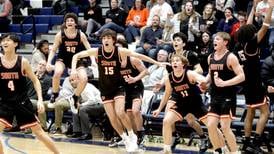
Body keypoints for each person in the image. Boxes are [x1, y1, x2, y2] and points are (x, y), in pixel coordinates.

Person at [71, 29, 167, 152]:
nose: (105, 40)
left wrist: (157, 63)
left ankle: (132, 136)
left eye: (108, 38)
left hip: (118, 87)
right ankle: (125, 138)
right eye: (104, 38)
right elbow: (76, 55)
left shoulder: (120, 51)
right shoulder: (97, 51)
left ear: (113, 40)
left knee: (120, 112)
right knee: (112, 117)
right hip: (105, 88)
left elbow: (139, 56)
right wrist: (74, 69)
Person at [0, 33, 60, 154]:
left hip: (21, 102)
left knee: (39, 133)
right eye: (3, 40)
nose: (4, 42)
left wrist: (40, 100)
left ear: (16, 44)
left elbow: (36, 81)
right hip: (5, 102)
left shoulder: (23, 62)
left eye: (8, 40)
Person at [234, 0, 274, 153]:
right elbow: (265, 26)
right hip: (256, 82)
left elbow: (247, 25)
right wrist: (270, 7)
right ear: (251, 34)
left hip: (246, 83)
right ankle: (256, 141)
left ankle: (246, 142)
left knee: (250, 111)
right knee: (265, 112)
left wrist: (253, 8)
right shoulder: (251, 44)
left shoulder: (238, 44)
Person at [152, 54, 209, 154]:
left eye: (177, 60)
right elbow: (166, 94)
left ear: (183, 64)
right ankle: (167, 148)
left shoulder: (189, 73)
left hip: (195, 102)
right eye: (173, 61)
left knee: (198, 123)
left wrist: (202, 83)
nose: (174, 62)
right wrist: (159, 109)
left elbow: (203, 79)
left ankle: (208, 140)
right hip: (181, 102)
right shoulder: (169, 77)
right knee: (166, 120)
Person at [201, 32, 245, 154]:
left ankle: (235, 152)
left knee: (225, 127)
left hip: (228, 96)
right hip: (215, 96)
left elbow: (242, 76)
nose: (214, 41)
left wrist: (224, 83)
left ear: (225, 42)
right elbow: (210, 74)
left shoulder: (231, 57)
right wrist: (205, 83)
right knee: (210, 125)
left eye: (218, 39)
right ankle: (220, 150)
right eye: (214, 39)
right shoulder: (210, 57)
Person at [46, 12, 91, 108]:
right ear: (65, 23)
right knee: (57, 73)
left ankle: (75, 97)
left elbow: (89, 49)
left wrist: (94, 61)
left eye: (72, 20)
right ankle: (55, 94)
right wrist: (48, 62)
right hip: (63, 58)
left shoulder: (81, 35)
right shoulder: (60, 35)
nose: (69, 22)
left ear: (75, 23)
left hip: (77, 60)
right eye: (67, 20)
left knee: (84, 79)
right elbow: (53, 50)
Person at [120, 55, 148, 145]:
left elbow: (146, 71)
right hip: (125, 89)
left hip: (136, 88)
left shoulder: (133, 60)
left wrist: (135, 78)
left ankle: (141, 134)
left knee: (135, 111)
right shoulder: (115, 62)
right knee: (129, 114)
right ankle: (135, 137)